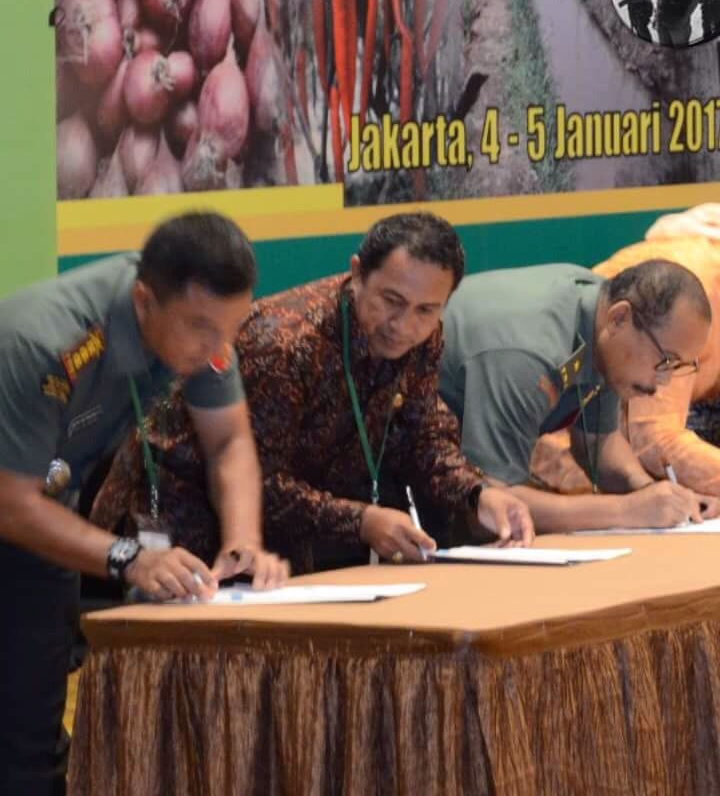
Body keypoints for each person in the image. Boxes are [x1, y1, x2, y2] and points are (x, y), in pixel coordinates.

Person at [0, 211, 286, 796]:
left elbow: (229, 442)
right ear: (143, 302)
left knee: (31, 744)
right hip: (17, 504)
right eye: (202, 329)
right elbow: (10, 503)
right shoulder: (43, 342)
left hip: (43, 522)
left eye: (230, 328)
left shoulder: (202, 330)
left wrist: (243, 541)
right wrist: (129, 557)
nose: (218, 348)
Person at [91, 212, 534, 576]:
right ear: (357, 273)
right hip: (178, 516)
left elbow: (425, 436)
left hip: (284, 537)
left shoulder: (424, 337)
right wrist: (361, 521)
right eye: (391, 300)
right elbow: (259, 480)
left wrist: (477, 493)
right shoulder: (284, 343)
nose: (404, 325)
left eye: (426, 309)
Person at [438, 261, 720, 532]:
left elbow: (598, 441)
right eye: (665, 360)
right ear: (619, 318)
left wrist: (657, 495)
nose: (664, 381)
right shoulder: (529, 355)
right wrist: (626, 510)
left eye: (677, 366)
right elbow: (489, 509)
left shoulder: (601, 319)